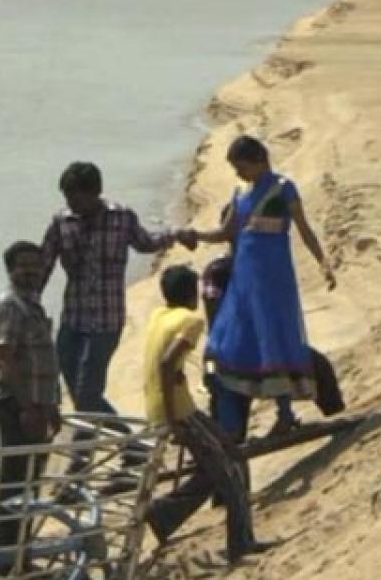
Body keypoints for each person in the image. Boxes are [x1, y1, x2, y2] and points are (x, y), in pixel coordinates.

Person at [190, 136, 333, 440]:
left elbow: (304, 228)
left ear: (259, 160)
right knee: (241, 339)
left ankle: (285, 414)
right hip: (244, 278)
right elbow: (226, 232)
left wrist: (323, 261)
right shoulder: (240, 192)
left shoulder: (283, 188)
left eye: (242, 167)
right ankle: (246, 410)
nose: (239, 174)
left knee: (273, 339)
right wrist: (195, 235)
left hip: (273, 278)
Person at [40, 161, 194, 423]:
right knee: (77, 392)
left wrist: (176, 234)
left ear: (94, 192)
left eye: (75, 196)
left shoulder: (121, 217)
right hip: (73, 318)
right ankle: (92, 439)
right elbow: (44, 264)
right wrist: (30, 303)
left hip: (106, 320)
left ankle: (126, 445)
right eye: (66, 197)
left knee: (88, 392)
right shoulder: (61, 222)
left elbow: (145, 243)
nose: (71, 203)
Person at [142, 265, 273, 563]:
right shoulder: (191, 321)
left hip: (170, 406)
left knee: (227, 448)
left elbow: (161, 362)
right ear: (192, 295)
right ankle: (241, 542)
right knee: (229, 472)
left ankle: (163, 514)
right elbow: (166, 363)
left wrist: (175, 381)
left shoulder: (158, 315)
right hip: (178, 412)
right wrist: (175, 417)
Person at [0, 241, 62, 563]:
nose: (31, 271)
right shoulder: (9, 305)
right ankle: (8, 557)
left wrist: (51, 404)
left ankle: (22, 551)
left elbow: (42, 360)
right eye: (24, 265)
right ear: (10, 269)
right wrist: (27, 407)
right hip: (17, 405)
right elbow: (5, 358)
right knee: (16, 480)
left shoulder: (34, 304)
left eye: (36, 264)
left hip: (38, 404)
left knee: (32, 479)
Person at [199, 204, 298, 440]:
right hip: (266, 346)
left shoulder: (218, 270)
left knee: (213, 373)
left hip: (240, 349)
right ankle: (284, 414)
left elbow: (215, 315)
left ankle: (230, 430)